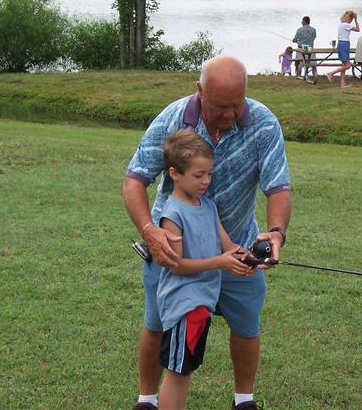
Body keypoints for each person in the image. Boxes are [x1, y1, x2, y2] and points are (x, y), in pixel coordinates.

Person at [123, 55, 292, 410]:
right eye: (220, 106)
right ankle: (147, 400)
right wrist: (149, 231)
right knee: (157, 324)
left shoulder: (262, 123)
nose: (230, 114)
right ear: (200, 91)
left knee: (246, 325)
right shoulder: (172, 118)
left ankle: (244, 399)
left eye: (237, 104)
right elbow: (135, 179)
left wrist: (275, 234)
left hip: (238, 248)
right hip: (172, 251)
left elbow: (278, 187)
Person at [157, 129, 254, 410]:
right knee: (177, 373)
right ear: (175, 173)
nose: (206, 181)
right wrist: (220, 263)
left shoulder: (208, 206)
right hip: (183, 306)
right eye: (198, 175)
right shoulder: (172, 215)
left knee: (185, 371)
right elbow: (177, 266)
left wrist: (248, 258)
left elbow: (228, 247)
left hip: (201, 305)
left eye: (209, 174)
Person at [326, 10, 360, 88]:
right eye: (352, 18)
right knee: (348, 65)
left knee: (344, 65)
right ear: (350, 18)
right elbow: (358, 29)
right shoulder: (346, 25)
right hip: (344, 44)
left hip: (341, 44)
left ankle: (342, 83)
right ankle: (331, 73)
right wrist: (356, 19)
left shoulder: (341, 24)